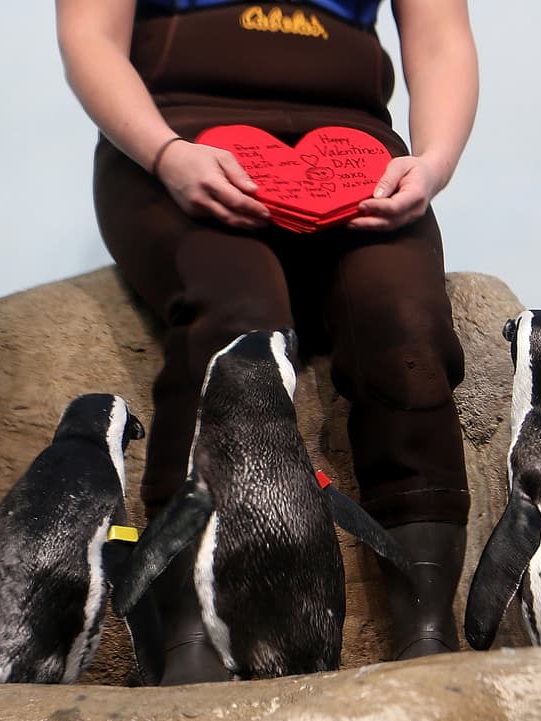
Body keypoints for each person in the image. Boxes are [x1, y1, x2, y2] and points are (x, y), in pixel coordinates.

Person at [55, 0, 479, 684]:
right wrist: (166, 154)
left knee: (406, 326)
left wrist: (431, 164)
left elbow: (440, 39)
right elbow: (89, 36)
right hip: (178, 142)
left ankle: (427, 625)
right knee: (234, 318)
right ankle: (188, 636)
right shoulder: (169, 148)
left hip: (357, 158)